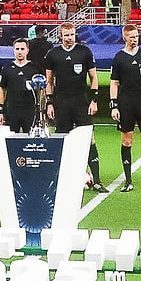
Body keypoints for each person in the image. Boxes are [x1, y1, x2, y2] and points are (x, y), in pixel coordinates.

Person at [42, 23, 99, 189]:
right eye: (66, 35)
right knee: (63, 140)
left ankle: (96, 180)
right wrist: (50, 103)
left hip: (81, 102)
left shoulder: (84, 52)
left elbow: (93, 77)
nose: (69, 38)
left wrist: (94, 100)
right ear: (61, 35)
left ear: (75, 34)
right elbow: (49, 81)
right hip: (62, 103)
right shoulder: (53, 54)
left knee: (89, 138)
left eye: (72, 35)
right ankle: (63, 178)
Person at [108, 24, 141, 192]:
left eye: (136, 36)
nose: (134, 39)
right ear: (125, 37)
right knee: (127, 141)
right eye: (131, 37)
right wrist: (114, 105)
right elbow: (114, 83)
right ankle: (128, 181)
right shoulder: (119, 58)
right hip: (125, 105)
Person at [0, 38, 41, 133]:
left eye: (22, 49)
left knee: (30, 140)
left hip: (29, 111)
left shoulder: (35, 68)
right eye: (17, 49)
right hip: (12, 110)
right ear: (13, 50)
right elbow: (2, 90)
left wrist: (41, 110)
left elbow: (41, 91)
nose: (20, 52)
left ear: (27, 50)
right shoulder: (7, 68)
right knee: (11, 140)